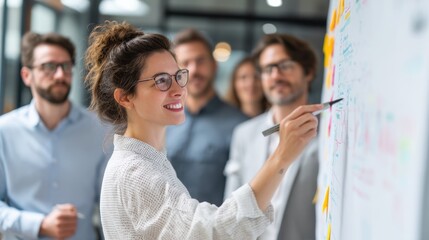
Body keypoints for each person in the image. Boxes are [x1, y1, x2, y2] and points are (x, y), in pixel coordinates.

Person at [84, 21, 322, 239]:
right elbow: (211, 232)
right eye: (161, 80)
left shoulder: (150, 159)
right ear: (125, 97)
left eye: (178, 76)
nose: (179, 89)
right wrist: (281, 156)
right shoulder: (135, 173)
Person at [0, 32, 112, 239]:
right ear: (27, 75)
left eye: (66, 66)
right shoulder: (4, 131)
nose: (60, 75)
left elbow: (111, 204)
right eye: (49, 67)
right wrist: (39, 224)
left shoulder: (100, 130)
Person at [224, 33, 320, 240]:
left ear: (309, 72)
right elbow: (231, 206)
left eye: (285, 65)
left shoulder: (326, 135)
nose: (275, 76)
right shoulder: (244, 134)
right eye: (268, 69)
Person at [165, 29, 248, 206]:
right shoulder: (161, 122)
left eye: (200, 61)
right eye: (186, 62)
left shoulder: (241, 126)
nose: (194, 70)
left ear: (214, 65)